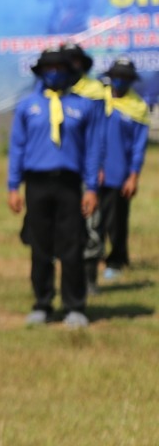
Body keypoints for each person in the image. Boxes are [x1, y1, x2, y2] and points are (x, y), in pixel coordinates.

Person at [7, 47, 103, 328]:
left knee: (72, 245)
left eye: (60, 68)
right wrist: (13, 186)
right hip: (37, 183)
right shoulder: (27, 106)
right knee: (40, 246)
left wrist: (91, 189)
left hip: (69, 184)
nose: (54, 73)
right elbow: (17, 147)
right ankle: (43, 303)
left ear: (69, 72)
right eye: (49, 68)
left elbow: (92, 150)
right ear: (41, 72)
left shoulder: (83, 106)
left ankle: (74, 305)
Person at [63, 43, 109, 292]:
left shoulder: (94, 91)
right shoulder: (55, 89)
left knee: (91, 219)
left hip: (87, 165)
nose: (72, 65)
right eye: (67, 60)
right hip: (63, 165)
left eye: (76, 60)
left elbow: (99, 134)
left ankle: (90, 277)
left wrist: (99, 164)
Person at [98, 57, 148, 280]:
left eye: (125, 78)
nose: (120, 81)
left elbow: (138, 147)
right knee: (92, 219)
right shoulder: (98, 101)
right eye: (117, 77)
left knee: (117, 220)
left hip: (120, 174)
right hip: (95, 173)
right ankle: (94, 255)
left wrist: (133, 176)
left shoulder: (137, 107)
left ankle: (117, 260)